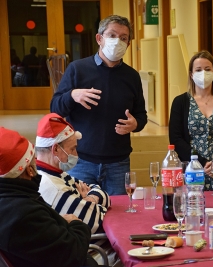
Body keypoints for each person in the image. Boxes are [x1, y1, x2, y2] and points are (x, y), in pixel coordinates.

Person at [50, 15, 147, 195]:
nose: (117, 41)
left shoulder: (132, 76)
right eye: (112, 35)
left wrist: (136, 124)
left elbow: (141, 116)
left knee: (118, 218)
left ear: (128, 44)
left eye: (124, 38)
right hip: (81, 161)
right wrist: (72, 95)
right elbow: (55, 108)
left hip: (118, 163)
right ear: (99, 38)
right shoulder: (77, 69)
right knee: (81, 216)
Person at [0, 127, 96, 267]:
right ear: (29, 170)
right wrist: (77, 224)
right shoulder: (24, 214)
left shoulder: (14, 200)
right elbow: (73, 255)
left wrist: (56, 222)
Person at [169, 50, 213, 190]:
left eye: (207, 69)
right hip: (191, 170)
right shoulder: (180, 102)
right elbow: (175, 138)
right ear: (191, 74)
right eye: (198, 70)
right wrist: (201, 162)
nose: (203, 73)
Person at [35, 113, 111, 234]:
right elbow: (99, 219)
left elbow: (103, 193)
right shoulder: (53, 188)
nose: (76, 154)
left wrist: (89, 199)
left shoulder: (57, 174)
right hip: (94, 250)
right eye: (72, 149)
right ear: (55, 149)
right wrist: (90, 202)